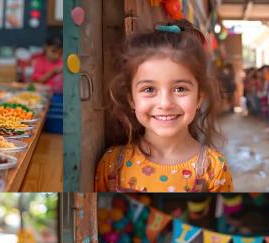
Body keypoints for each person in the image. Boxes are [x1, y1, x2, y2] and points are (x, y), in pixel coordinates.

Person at [95, 20, 232, 192]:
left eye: (180, 89)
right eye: (149, 89)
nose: (165, 103)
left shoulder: (214, 168)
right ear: (131, 100)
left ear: (199, 98)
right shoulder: (112, 164)